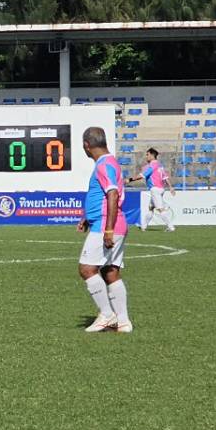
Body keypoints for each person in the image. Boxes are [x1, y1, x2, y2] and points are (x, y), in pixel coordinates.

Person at [77, 127, 132, 333]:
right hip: (109, 223)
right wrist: (87, 217)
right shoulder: (110, 162)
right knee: (110, 272)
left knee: (86, 269)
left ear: (86, 145)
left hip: (106, 225)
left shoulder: (104, 164)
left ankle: (107, 315)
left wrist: (108, 229)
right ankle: (123, 322)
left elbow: (112, 195)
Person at [127, 148, 176, 232]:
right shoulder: (159, 165)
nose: (146, 156)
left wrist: (130, 180)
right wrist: (171, 187)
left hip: (155, 189)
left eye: (147, 155)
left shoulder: (152, 165)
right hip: (160, 189)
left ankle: (171, 227)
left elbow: (142, 175)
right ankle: (143, 226)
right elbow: (165, 177)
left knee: (160, 209)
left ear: (152, 155)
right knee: (151, 208)